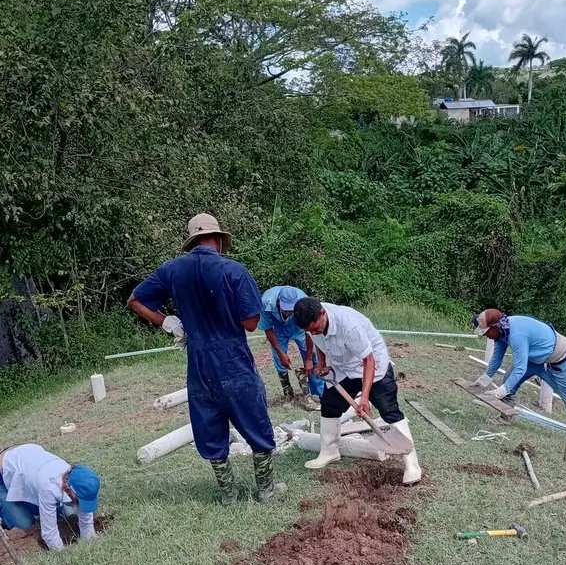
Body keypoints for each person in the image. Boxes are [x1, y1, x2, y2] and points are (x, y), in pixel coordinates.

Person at [128, 213, 285, 505]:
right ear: (219, 240)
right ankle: (267, 490)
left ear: (192, 242)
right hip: (234, 361)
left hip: (198, 365)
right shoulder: (233, 270)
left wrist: (168, 323)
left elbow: (135, 300)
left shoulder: (172, 270)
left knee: (211, 429)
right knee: (256, 423)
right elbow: (251, 322)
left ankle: (229, 496)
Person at [293, 297, 422, 485]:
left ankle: (412, 464)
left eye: (315, 327)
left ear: (322, 314)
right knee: (329, 404)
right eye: (309, 330)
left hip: (373, 365)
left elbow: (368, 361)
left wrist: (365, 397)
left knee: (388, 410)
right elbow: (317, 339)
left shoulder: (348, 325)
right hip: (344, 366)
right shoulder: (313, 323)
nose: (313, 332)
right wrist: (321, 362)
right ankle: (330, 451)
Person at [472, 308, 566, 444]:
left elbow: (520, 368)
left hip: (560, 359)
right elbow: (497, 358)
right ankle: (506, 416)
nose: (487, 336)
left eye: (486, 333)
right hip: (536, 359)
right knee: (509, 378)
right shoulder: (501, 332)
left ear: (495, 326)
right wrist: (483, 380)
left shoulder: (516, 335)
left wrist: (500, 391)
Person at [0, 444, 100, 552]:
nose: (80, 504)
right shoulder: (49, 486)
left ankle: (27, 504)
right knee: (24, 524)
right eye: (79, 500)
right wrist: (62, 555)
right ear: (68, 489)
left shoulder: (78, 479)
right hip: (6, 467)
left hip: (28, 464)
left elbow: (86, 520)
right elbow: (49, 532)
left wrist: (90, 542)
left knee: (68, 514)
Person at [259, 285, 323, 410]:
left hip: (299, 325)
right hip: (278, 328)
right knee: (280, 360)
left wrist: (308, 358)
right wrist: (281, 353)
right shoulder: (266, 302)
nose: (288, 313)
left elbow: (309, 332)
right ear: (278, 302)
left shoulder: (304, 302)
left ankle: (315, 393)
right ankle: (288, 394)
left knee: (312, 357)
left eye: (291, 310)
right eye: (285, 310)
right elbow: (267, 329)